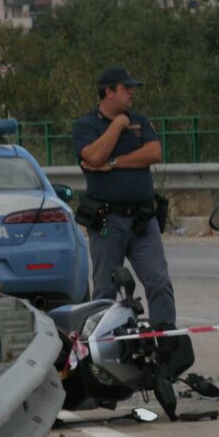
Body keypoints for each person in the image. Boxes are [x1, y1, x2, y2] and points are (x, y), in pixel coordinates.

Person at [71, 66, 176, 328]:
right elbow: (93, 157)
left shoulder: (139, 121)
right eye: (125, 87)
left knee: (159, 282)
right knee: (105, 290)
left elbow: (153, 153)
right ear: (108, 92)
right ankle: (102, 349)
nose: (132, 92)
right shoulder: (86, 125)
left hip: (142, 220)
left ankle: (166, 343)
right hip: (108, 222)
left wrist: (114, 162)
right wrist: (117, 125)